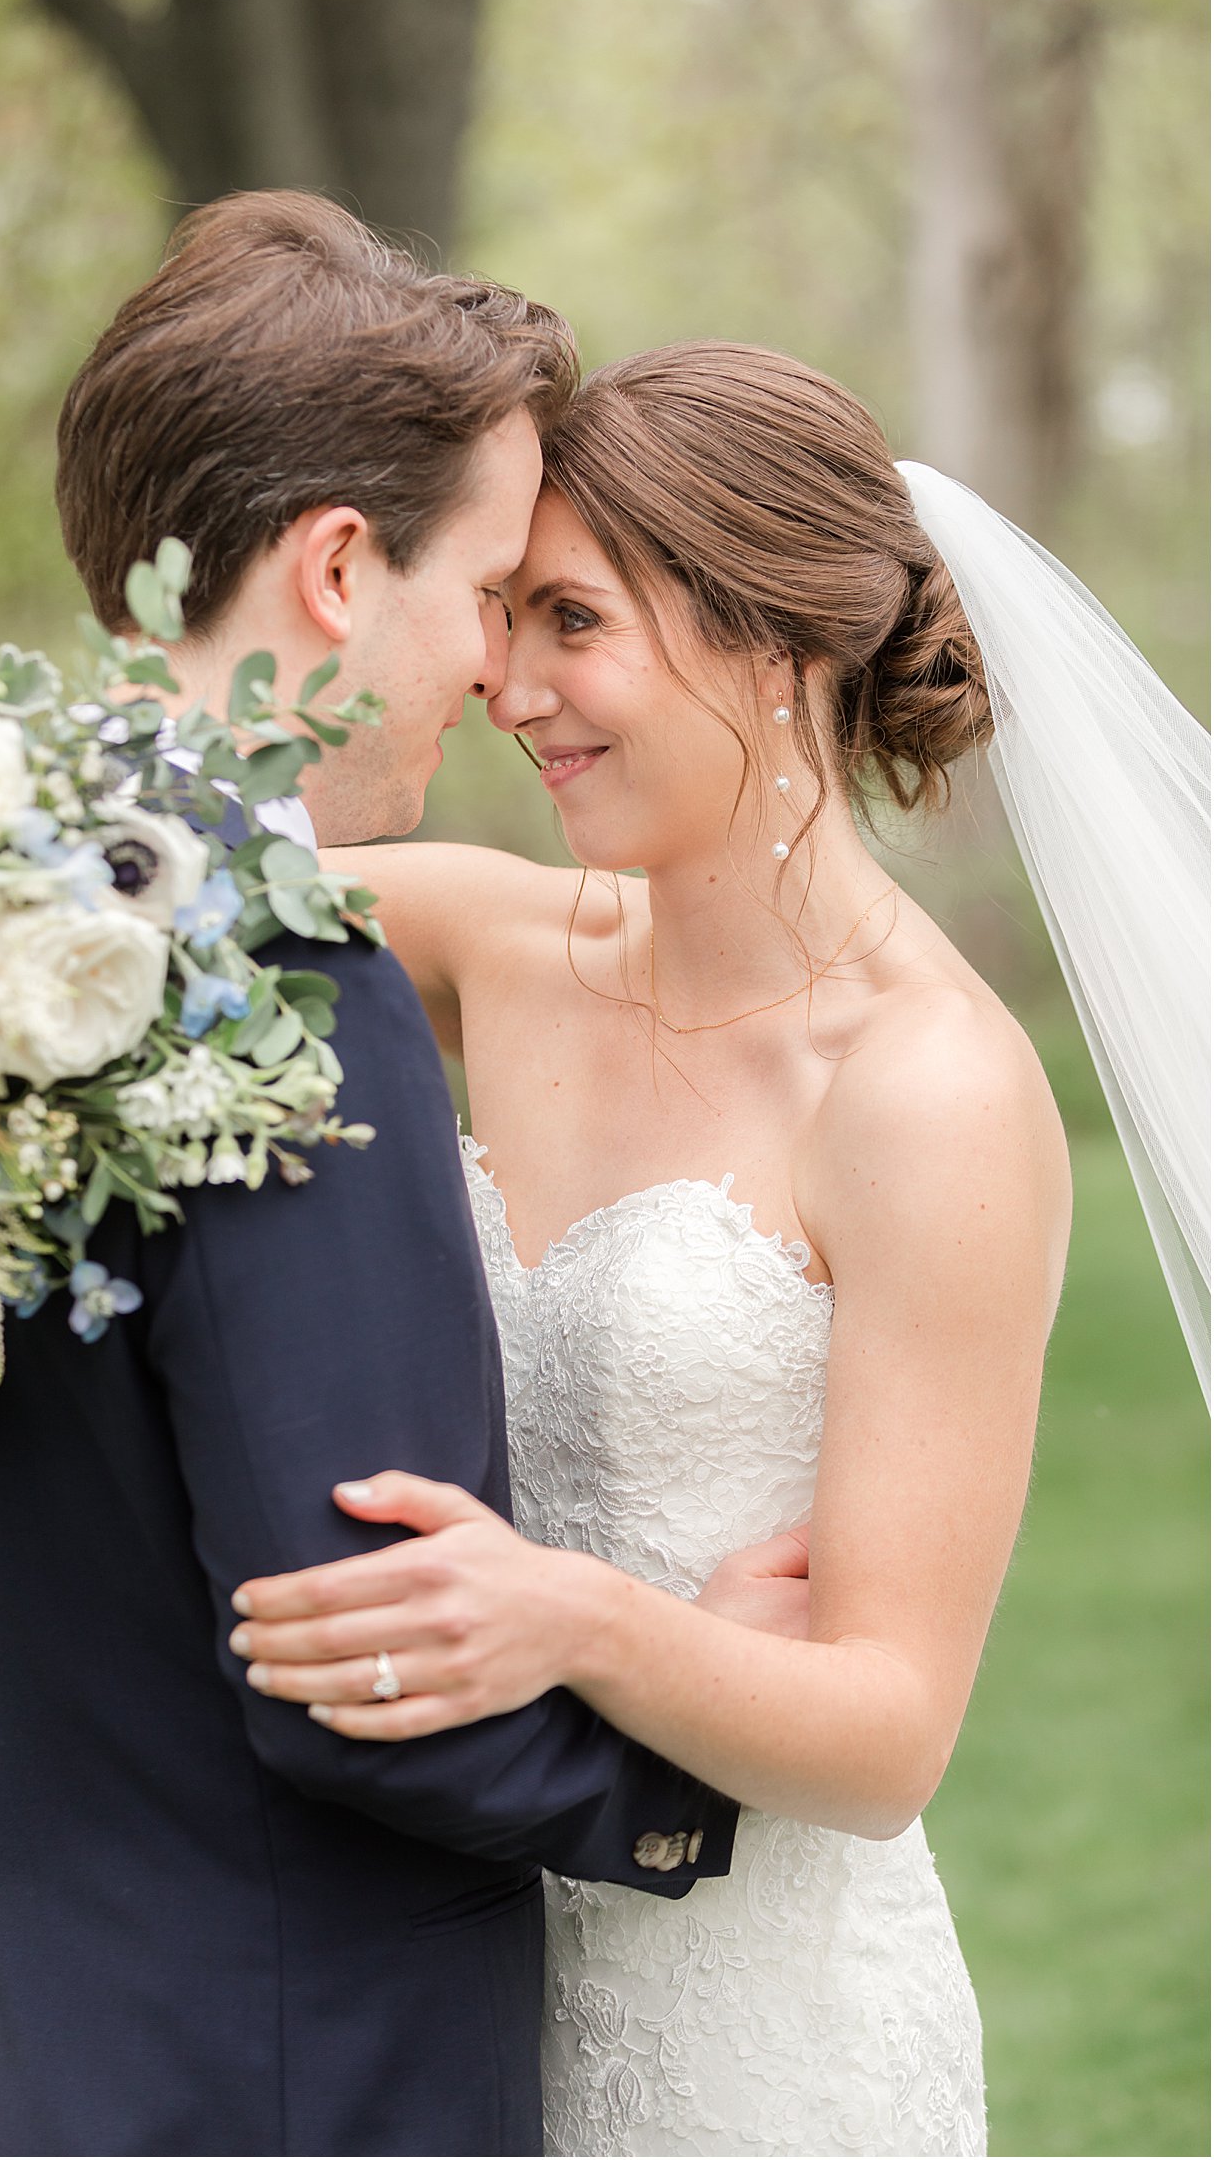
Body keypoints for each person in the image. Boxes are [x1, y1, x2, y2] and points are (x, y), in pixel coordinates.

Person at [0, 200, 822, 2160]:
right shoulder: (275, 971)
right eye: (493, 590)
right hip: (288, 2086)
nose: (501, 667)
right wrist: (694, 1767)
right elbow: (359, 1655)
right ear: (341, 567)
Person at [216, 340, 1133, 2157]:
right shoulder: (492, 942)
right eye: (503, 613)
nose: (507, 684)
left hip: (755, 2037)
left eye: (573, 621)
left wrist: (567, 1611)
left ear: (775, 642)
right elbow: (131, 890)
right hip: (444, 1977)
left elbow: (887, 1738)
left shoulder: (929, 1092)